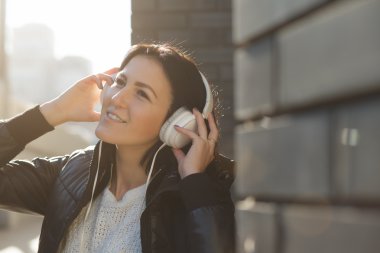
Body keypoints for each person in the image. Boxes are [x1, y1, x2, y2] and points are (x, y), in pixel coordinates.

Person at [0, 43, 235, 253]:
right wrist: (53, 112)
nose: (117, 97)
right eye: (120, 82)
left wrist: (195, 184)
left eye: (142, 94)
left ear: (176, 123)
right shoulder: (71, 174)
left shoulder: (194, 199)